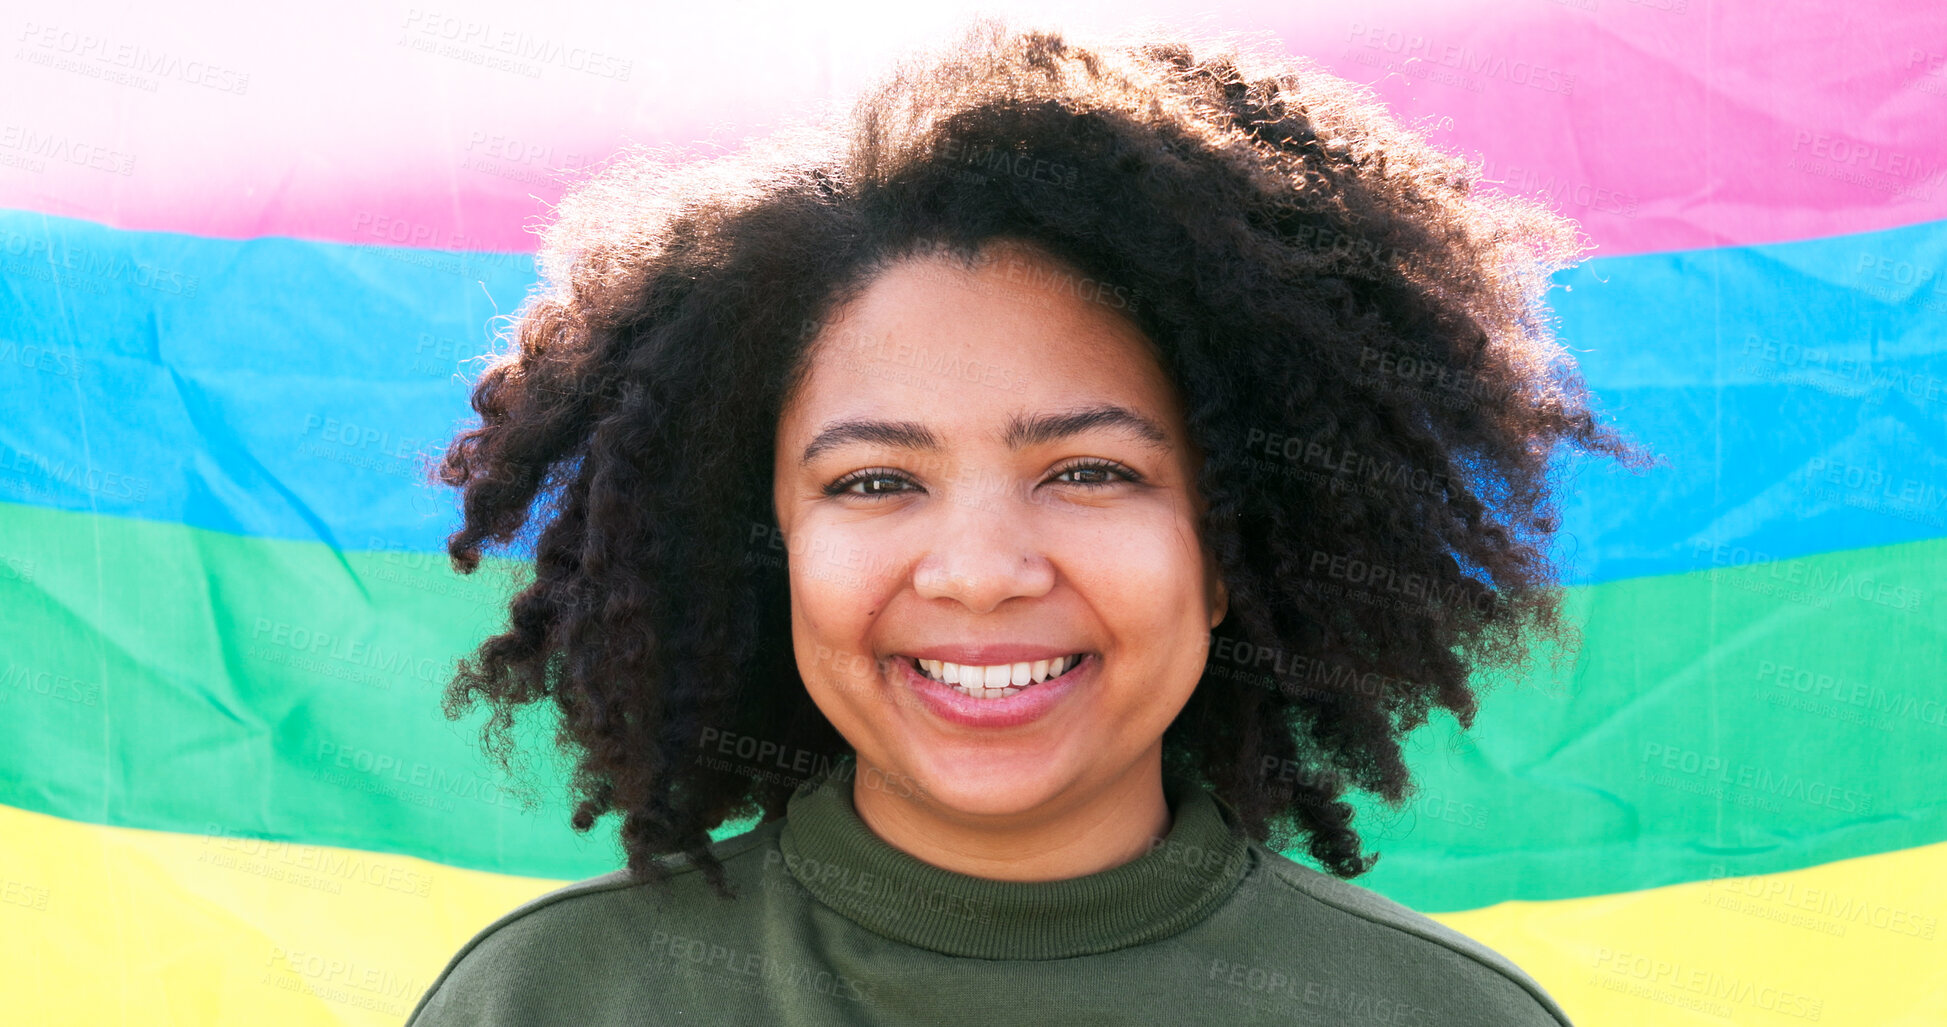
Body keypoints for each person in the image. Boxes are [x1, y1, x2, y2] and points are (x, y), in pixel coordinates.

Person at [407, 16, 1649, 1025]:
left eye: (1091, 471)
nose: (981, 574)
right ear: (766, 546)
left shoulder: (1439, 1016)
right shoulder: (547, 1001)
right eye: (874, 482)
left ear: (1229, 548)